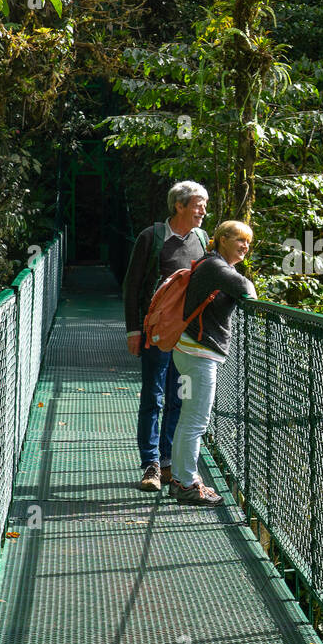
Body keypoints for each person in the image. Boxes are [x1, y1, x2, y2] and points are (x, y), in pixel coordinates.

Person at [123, 181, 209, 492]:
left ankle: (169, 460)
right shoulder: (152, 237)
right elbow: (132, 287)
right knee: (153, 396)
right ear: (180, 206)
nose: (203, 211)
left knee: (179, 397)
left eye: (204, 205)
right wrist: (134, 330)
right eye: (198, 205)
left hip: (188, 335)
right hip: (156, 333)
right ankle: (151, 464)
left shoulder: (201, 239)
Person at [169, 220, 256, 505]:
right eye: (240, 240)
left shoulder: (213, 265)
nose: (245, 247)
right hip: (198, 355)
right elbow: (245, 287)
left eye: (248, 242)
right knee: (196, 421)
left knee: (189, 418)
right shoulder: (216, 267)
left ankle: (182, 480)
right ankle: (186, 483)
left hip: (190, 351)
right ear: (221, 239)